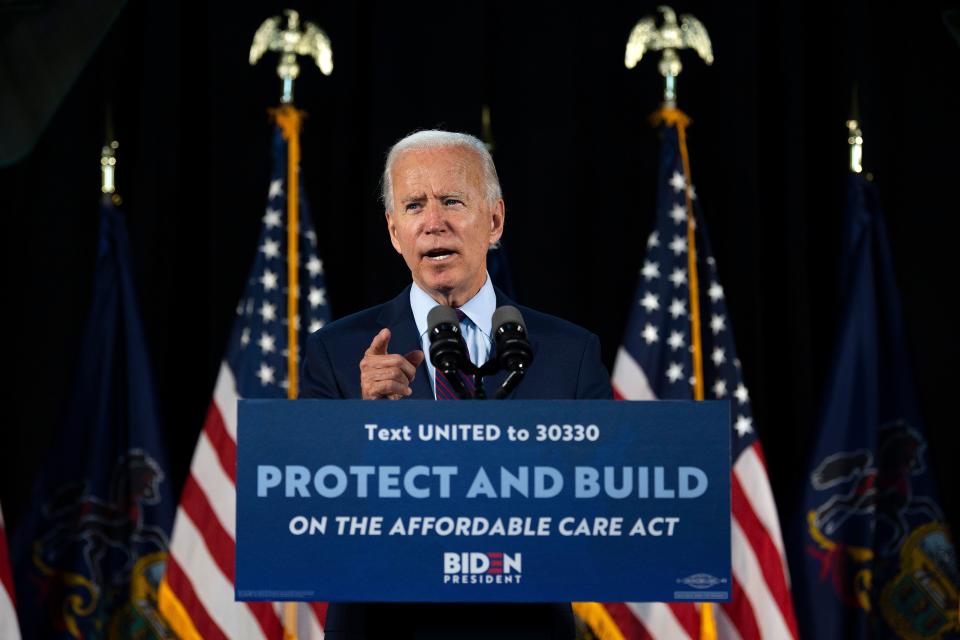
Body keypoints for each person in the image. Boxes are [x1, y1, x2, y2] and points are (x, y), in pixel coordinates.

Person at [301, 130, 612, 639]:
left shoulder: (569, 354)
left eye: (452, 201)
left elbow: (602, 510)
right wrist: (358, 425)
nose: (433, 223)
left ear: (494, 220)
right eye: (414, 205)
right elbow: (306, 517)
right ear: (394, 231)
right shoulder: (336, 353)